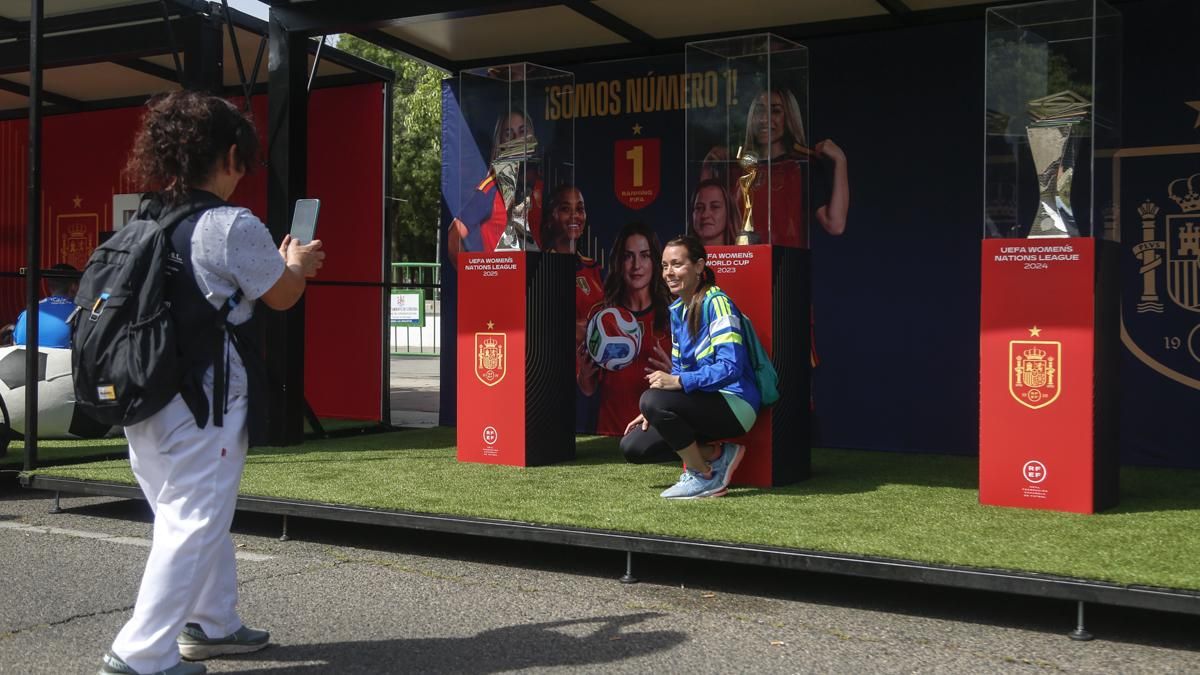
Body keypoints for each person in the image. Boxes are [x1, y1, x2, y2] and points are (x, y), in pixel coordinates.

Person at [98, 90, 325, 675]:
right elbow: (282, 295)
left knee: (193, 513)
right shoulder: (231, 224)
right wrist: (297, 264)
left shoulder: (149, 216)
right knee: (194, 520)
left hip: (142, 396)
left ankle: (214, 622)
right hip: (205, 403)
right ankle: (139, 655)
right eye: (243, 159)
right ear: (230, 156)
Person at [620, 236, 760, 499]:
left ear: (699, 266)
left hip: (736, 404)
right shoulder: (678, 310)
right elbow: (680, 369)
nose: (668, 273)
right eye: (664, 266)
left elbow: (731, 367)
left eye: (677, 264)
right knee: (634, 446)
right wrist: (656, 411)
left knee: (651, 398)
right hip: (703, 401)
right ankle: (718, 454)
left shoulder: (717, 302)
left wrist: (676, 386)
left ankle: (704, 477)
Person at [577, 223, 671, 436]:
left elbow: (691, 380)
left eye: (644, 255)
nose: (636, 265)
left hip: (657, 431)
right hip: (610, 431)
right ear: (619, 262)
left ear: (655, 262)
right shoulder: (601, 316)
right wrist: (584, 374)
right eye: (629, 256)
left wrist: (675, 375)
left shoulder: (672, 316)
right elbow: (588, 389)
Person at [738, 86, 849, 247]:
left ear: (789, 117)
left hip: (785, 264)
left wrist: (840, 160)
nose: (764, 119)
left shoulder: (802, 166)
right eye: (759, 111)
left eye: (775, 111)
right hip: (743, 262)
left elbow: (835, 225)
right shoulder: (741, 167)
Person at [447, 109, 544, 256]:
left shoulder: (541, 184)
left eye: (522, 131)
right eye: (508, 134)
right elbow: (454, 236)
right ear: (501, 141)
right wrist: (473, 274)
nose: (516, 138)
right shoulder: (491, 187)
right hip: (499, 277)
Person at [541, 184, 604, 345]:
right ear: (550, 218)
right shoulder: (538, 271)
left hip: (593, 367)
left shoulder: (594, 269)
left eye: (580, 209)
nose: (575, 216)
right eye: (565, 209)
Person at [13, 263, 78, 348]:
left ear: (49, 286)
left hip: (24, 360)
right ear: (74, 286)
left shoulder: (27, 313)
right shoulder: (80, 312)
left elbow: (15, 343)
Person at [689, 179, 740, 247]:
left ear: (729, 213)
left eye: (715, 207)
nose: (705, 215)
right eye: (699, 208)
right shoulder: (681, 255)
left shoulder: (743, 254)